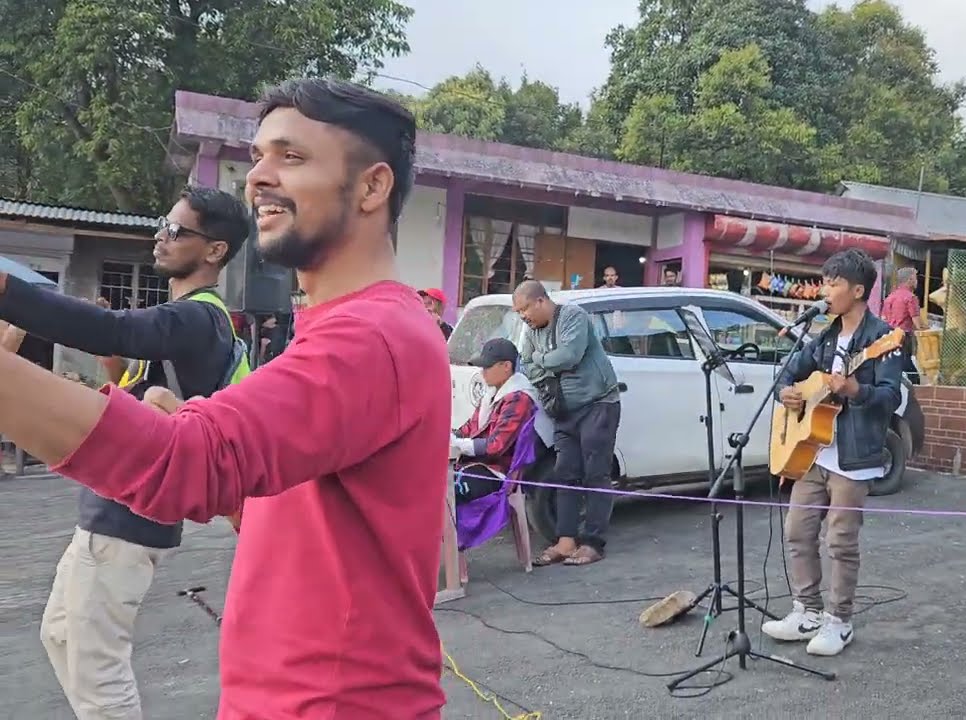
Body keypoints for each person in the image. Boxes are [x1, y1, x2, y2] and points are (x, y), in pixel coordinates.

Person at [0, 78, 448, 719]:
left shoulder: (372, 335)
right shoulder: (333, 325)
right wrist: (186, 428)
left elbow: (185, 462)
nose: (259, 176)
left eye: (291, 157)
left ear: (372, 187)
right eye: (259, 155)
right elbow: (288, 491)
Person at [0, 185, 249, 720]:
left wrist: (8, 290)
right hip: (114, 506)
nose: (161, 237)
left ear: (215, 251)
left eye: (177, 230)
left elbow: (112, 329)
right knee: (61, 635)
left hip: (130, 515)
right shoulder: (191, 318)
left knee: (98, 672)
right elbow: (132, 375)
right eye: (163, 225)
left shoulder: (197, 317)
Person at [762, 248, 904, 657]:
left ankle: (839, 621)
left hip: (853, 458)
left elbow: (890, 397)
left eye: (833, 283)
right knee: (797, 533)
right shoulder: (824, 336)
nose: (825, 290)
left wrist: (854, 389)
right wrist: (786, 392)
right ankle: (806, 611)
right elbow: (789, 374)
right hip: (812, 454)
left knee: (841, 541)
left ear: (858, 290)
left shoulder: (884, 340)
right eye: (824, 282)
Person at [513, 280, 621, 567]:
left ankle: (593, 543)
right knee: (565, 473)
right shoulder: (532, 330)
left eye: (525, 308)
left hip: (598, 404)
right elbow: (526, 363)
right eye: (519, 312)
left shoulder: (573, 317)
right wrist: (547, 362)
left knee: (595, 473)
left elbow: (569, 355)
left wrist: (542, 360)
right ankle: (565, 540)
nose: (523, 316)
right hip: (563, 410)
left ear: (540, 301)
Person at [451, 338, 539, 504]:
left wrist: (460, 444)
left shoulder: (519, 398)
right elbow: (471, 426)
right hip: (477, 466)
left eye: (487, 367)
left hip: (495, 472)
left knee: (445, 493)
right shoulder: (491, 393)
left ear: (506, 366)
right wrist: (450, 436)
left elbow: (495, 446)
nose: (483, 372)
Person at [881, 266, 922, 383]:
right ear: (909, 280)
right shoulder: (911, 298)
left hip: (889, 334)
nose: (916, 281)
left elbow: (883, 318)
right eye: (915, 278)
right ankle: (916, 384)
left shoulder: (890, 297)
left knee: (893, 361)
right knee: (907, 363)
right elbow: (917, 322)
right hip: (904, 335)